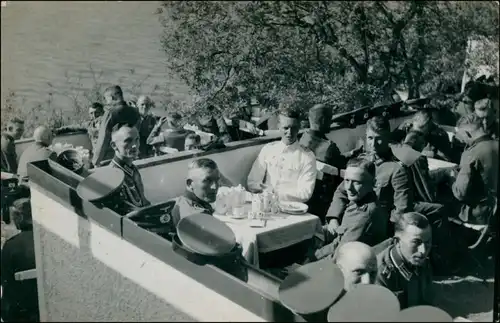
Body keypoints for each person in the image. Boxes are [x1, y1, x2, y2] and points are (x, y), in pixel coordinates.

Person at [325, 116, 412, 235]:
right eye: (370, 138)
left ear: (388, 138)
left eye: (379, 139)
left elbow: (401, 210)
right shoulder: (360, 162)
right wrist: (333, 218)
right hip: (347, 222)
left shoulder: (396, 170)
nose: (374, 144)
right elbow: (341, 191)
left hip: (372, 230)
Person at [312, 158, 389, 260]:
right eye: (347, 180)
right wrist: (315, 255)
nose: (348, 187)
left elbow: (339, 256)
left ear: (373, 183)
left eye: (357, 182)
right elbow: (338, 242)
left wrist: (311, 261)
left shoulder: (364, 215)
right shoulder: (363, 196)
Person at [299, 104, 363, 221]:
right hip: (324, 200)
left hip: (306, 197)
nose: (331, 123)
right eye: (330, 119)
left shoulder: (302, 139)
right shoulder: (329, 147)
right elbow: (342, 166)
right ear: (323, 120)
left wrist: (350, 153)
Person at [247, 108, 317, 203]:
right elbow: (252, 182)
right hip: (265, 203)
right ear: (279, 127)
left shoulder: (307, 157)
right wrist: (264, 191)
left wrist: (274, 192)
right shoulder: (268, 149)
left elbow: (305, 193)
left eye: (294, 128)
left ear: (299, 128)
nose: (290, 132)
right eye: (286, 128)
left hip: (291, 208)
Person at [375, 212, 434, 309]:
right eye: (416, 242)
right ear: (397, 242)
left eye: (427, 243)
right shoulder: (379, 274)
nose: (423, 251)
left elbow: (426, 303)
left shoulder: (423, 262)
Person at [451, 113, 498, 225]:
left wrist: (452, 177)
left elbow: (460, 193)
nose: (463, 141)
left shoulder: (470, 154)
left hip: (480, 214)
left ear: (468, 133)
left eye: (462, 138)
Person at [1, 198, 39, 322]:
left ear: (20, 218)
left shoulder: (12, 245)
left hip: (21, 312)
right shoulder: (46, 240)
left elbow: (4, 278)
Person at [92, 85, 140, 167]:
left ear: (111, 98)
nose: (106, 103)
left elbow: (103, 138)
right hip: (131, 153)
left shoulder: (111, 113)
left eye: (106, 99)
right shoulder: (134, 111)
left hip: (113, 157)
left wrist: (96, 161)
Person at [108, 123, 150, 212]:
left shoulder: (132, 169)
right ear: (114, 145)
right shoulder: (113, 176)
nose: (134, 145)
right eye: (128, 141)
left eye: (137, 139)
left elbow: (143, 201)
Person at [171, 158, 221, 226]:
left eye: (217, 180)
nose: (214, 187)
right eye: (207, 181)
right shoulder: (199, 216)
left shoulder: (181, 200)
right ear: (190, 184)